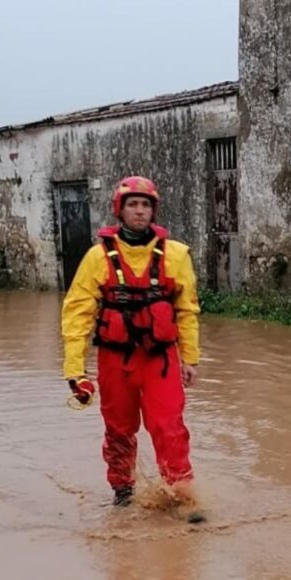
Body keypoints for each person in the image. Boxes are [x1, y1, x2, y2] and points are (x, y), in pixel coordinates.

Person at [61, 175, 205, 522]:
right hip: (116, 359)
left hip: (161, 360)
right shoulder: (97, 258)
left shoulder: (176, 255)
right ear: (120, 210)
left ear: (153, 210)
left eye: (145, 205)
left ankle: (181, 495)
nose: (139, 212)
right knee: (119, 429)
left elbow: (187, 309)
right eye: (132, 205)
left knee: (169, 426)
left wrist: (191, 358)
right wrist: (74, 371)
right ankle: (123, 492)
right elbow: (77, 312)